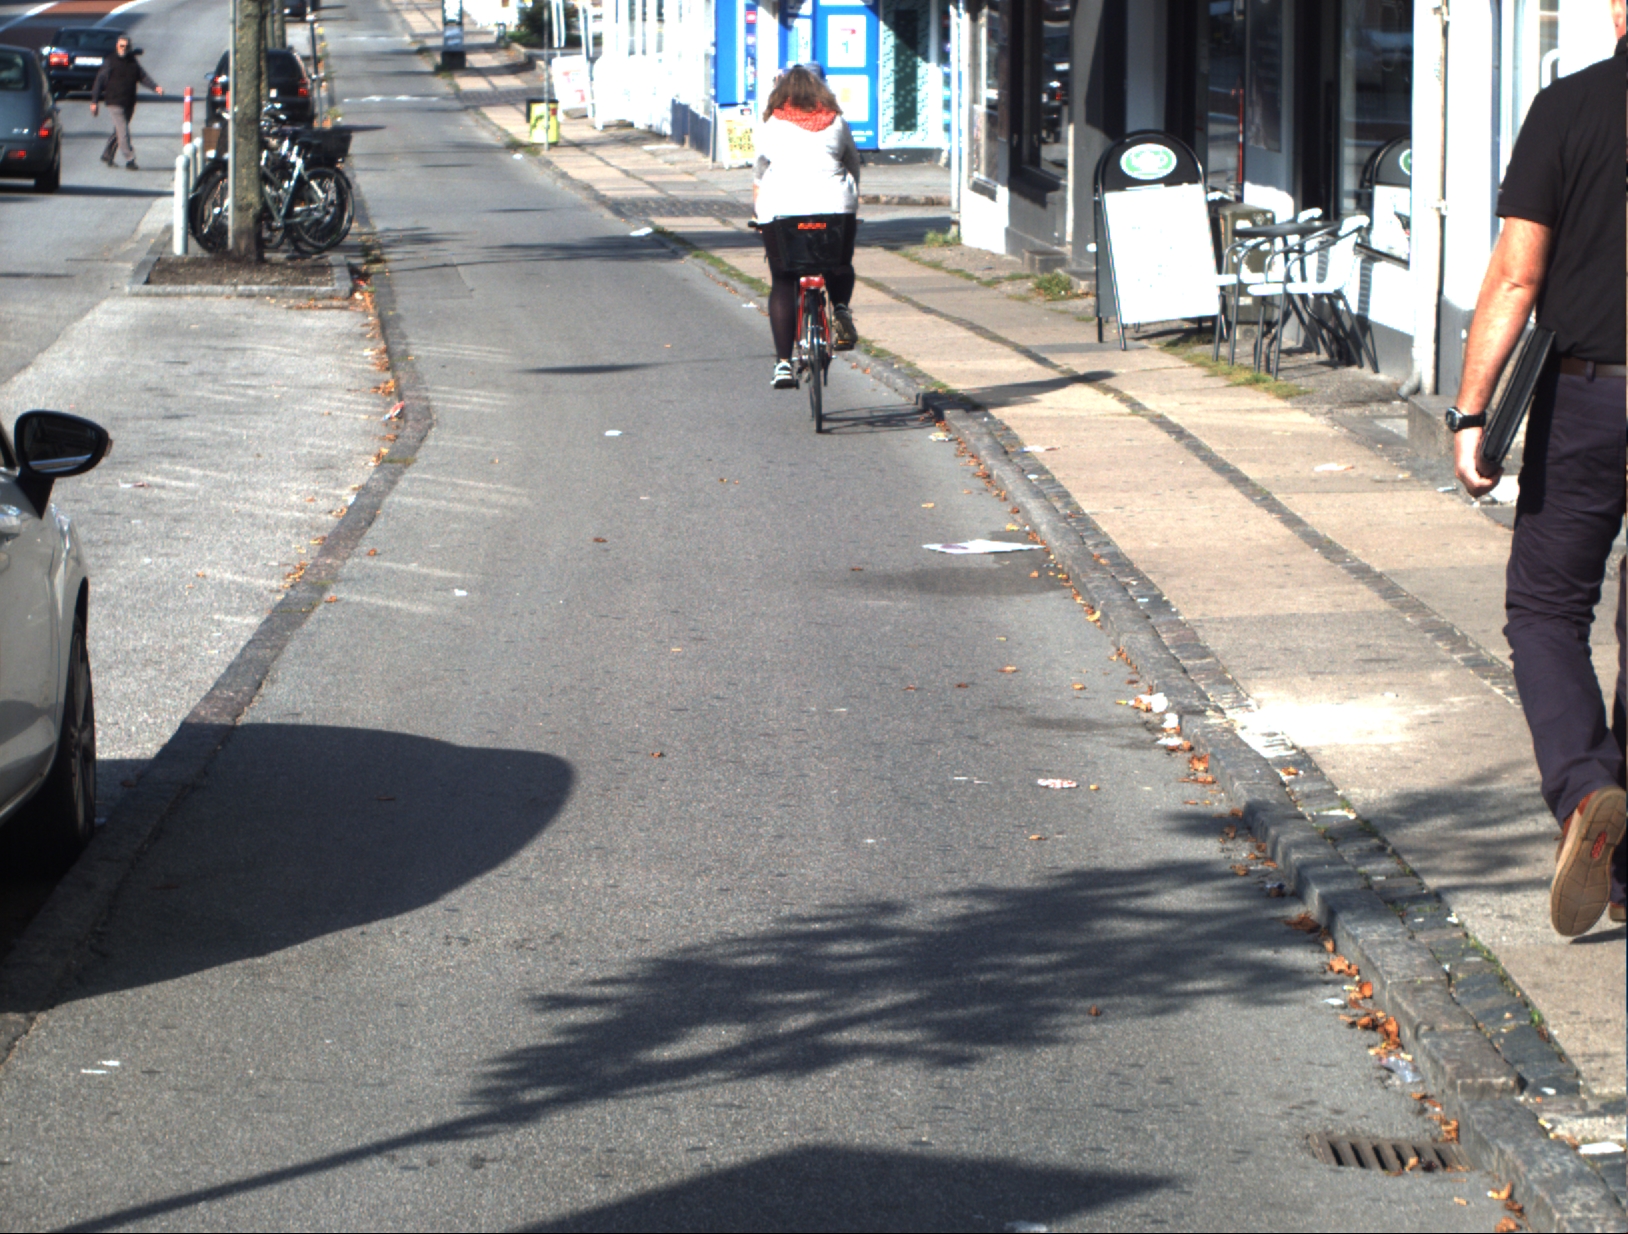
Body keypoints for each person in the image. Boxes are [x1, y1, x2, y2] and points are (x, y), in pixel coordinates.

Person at [1450, 0, 1626, 935]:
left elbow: (1517, 274)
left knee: (1546, 611)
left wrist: (1472, 412)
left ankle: (1586, 788)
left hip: (1589, 397)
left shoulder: (1568, 107)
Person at [752, 63, 861, 389]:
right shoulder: (836, 121)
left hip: (783, 210)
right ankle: (840, 310)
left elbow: (760, 170)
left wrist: (759, 212)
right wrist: (850, 201)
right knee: (839, 263)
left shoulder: (772, 124)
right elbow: (852, 163)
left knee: (783, 281)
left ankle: (783, 364)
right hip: (834, 208)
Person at [91, 34, 163, 170]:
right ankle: (130, 159)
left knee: (119, 130)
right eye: (121, 46)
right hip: (114, 101)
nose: (123, 48)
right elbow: (99, 80)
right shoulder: (110, 61)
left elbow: (142, 76)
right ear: (117, 46)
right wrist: (94, 101)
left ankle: (107, 154)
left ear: (130, 47)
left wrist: (155, 87)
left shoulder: (132, 61)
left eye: (126, 46)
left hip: (129, 101)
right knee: (123, 130)